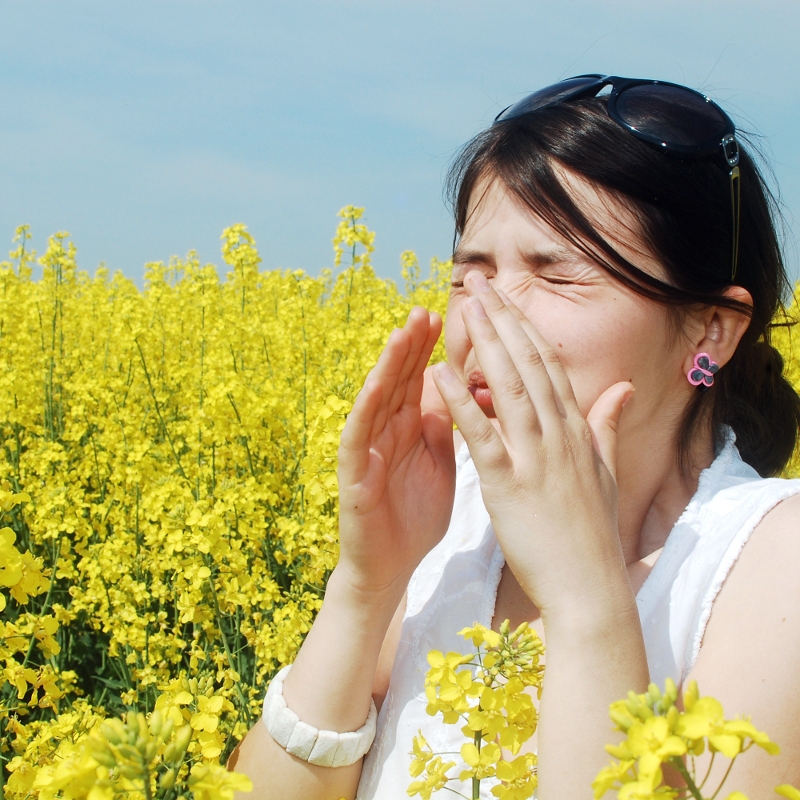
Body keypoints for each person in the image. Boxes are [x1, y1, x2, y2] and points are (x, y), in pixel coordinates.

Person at [231, 75, 800, 798]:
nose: (484, 316)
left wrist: (585, 601)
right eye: (468, 277)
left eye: (555, 276)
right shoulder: (454, 523)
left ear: (711, 330)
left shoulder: (776, 564)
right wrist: (364, 587)